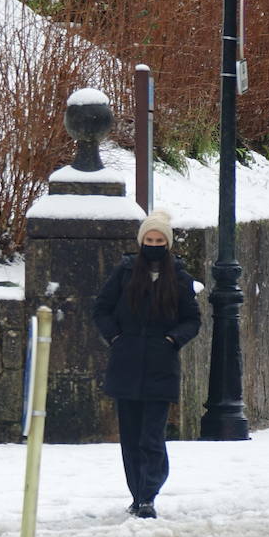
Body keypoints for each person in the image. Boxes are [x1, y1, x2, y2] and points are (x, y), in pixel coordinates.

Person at [93, 209, 202, 519]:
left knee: (151, 437)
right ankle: (137, 494)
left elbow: (191, 320)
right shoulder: (125, 272)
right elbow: (101, 309)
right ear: (141, 241)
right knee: (130, 438)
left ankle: (148, 495)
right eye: (149, 239)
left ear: (167, 244)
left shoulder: (179, 277)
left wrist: (171, 341)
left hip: (160, 367)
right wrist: (115, 338)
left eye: (159, 240)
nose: (154, 244)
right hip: (125, 365)